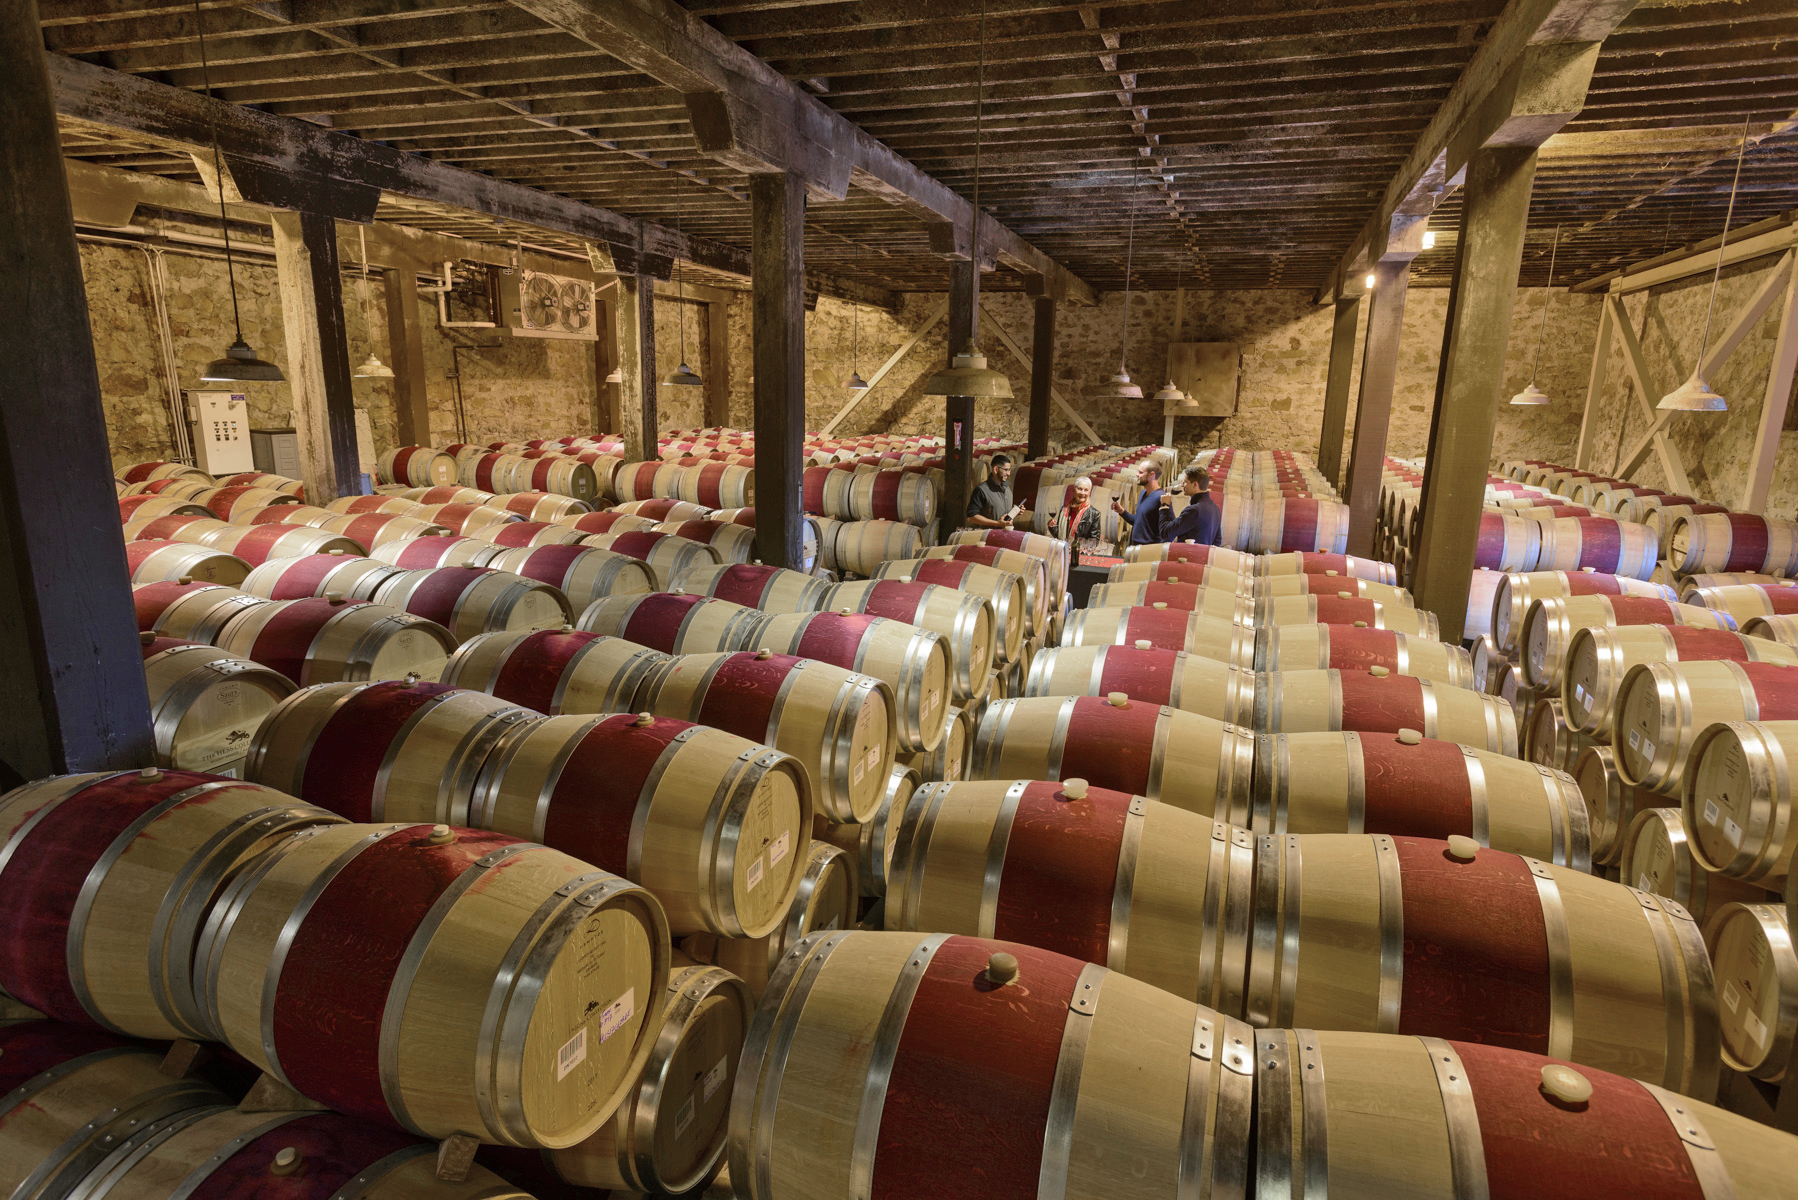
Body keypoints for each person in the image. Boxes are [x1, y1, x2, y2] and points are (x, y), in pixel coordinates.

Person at [1163, 463, 1222, 545]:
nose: (1182, 485)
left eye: (1185, 482)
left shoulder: (1194, 511)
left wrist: (1165, 507)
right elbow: (1217, 541)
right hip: (1202, 556)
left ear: (1195, 484)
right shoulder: (1215, 508)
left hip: (1188, 556)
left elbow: (1166, 533)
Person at [1113, 464, 1167, 546]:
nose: (1137, 474)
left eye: (1140, 472)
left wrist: (1158, 549)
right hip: (1137, 547)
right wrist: (1122, 511)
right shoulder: (1143, 493)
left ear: (1151, 475)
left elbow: (1170, 531)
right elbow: (1139, 521)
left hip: (1149, 550)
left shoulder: (1161, 497)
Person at [965, 454, 1015, 529]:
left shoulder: (1007, 488)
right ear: (996, 469)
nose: (1008, 473)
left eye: (1009, 470)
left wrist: (1016, 510)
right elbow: (971, 516)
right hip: (988, 536)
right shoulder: (981, 490)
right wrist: (997, 524)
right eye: (1006, 470)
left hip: (1005, 535)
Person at [1052, 475, 1104, 541]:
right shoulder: (1064, 510)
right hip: (1064, 549)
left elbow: (1094, 541)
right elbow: (1059, 536)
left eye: (1086, 490)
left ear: (1089, 493)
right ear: (1073, 491)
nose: (1082, 493)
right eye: (1079, 489)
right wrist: (1052, 528)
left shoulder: (1094, 514)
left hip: (1082, 550)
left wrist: (1077, 548)